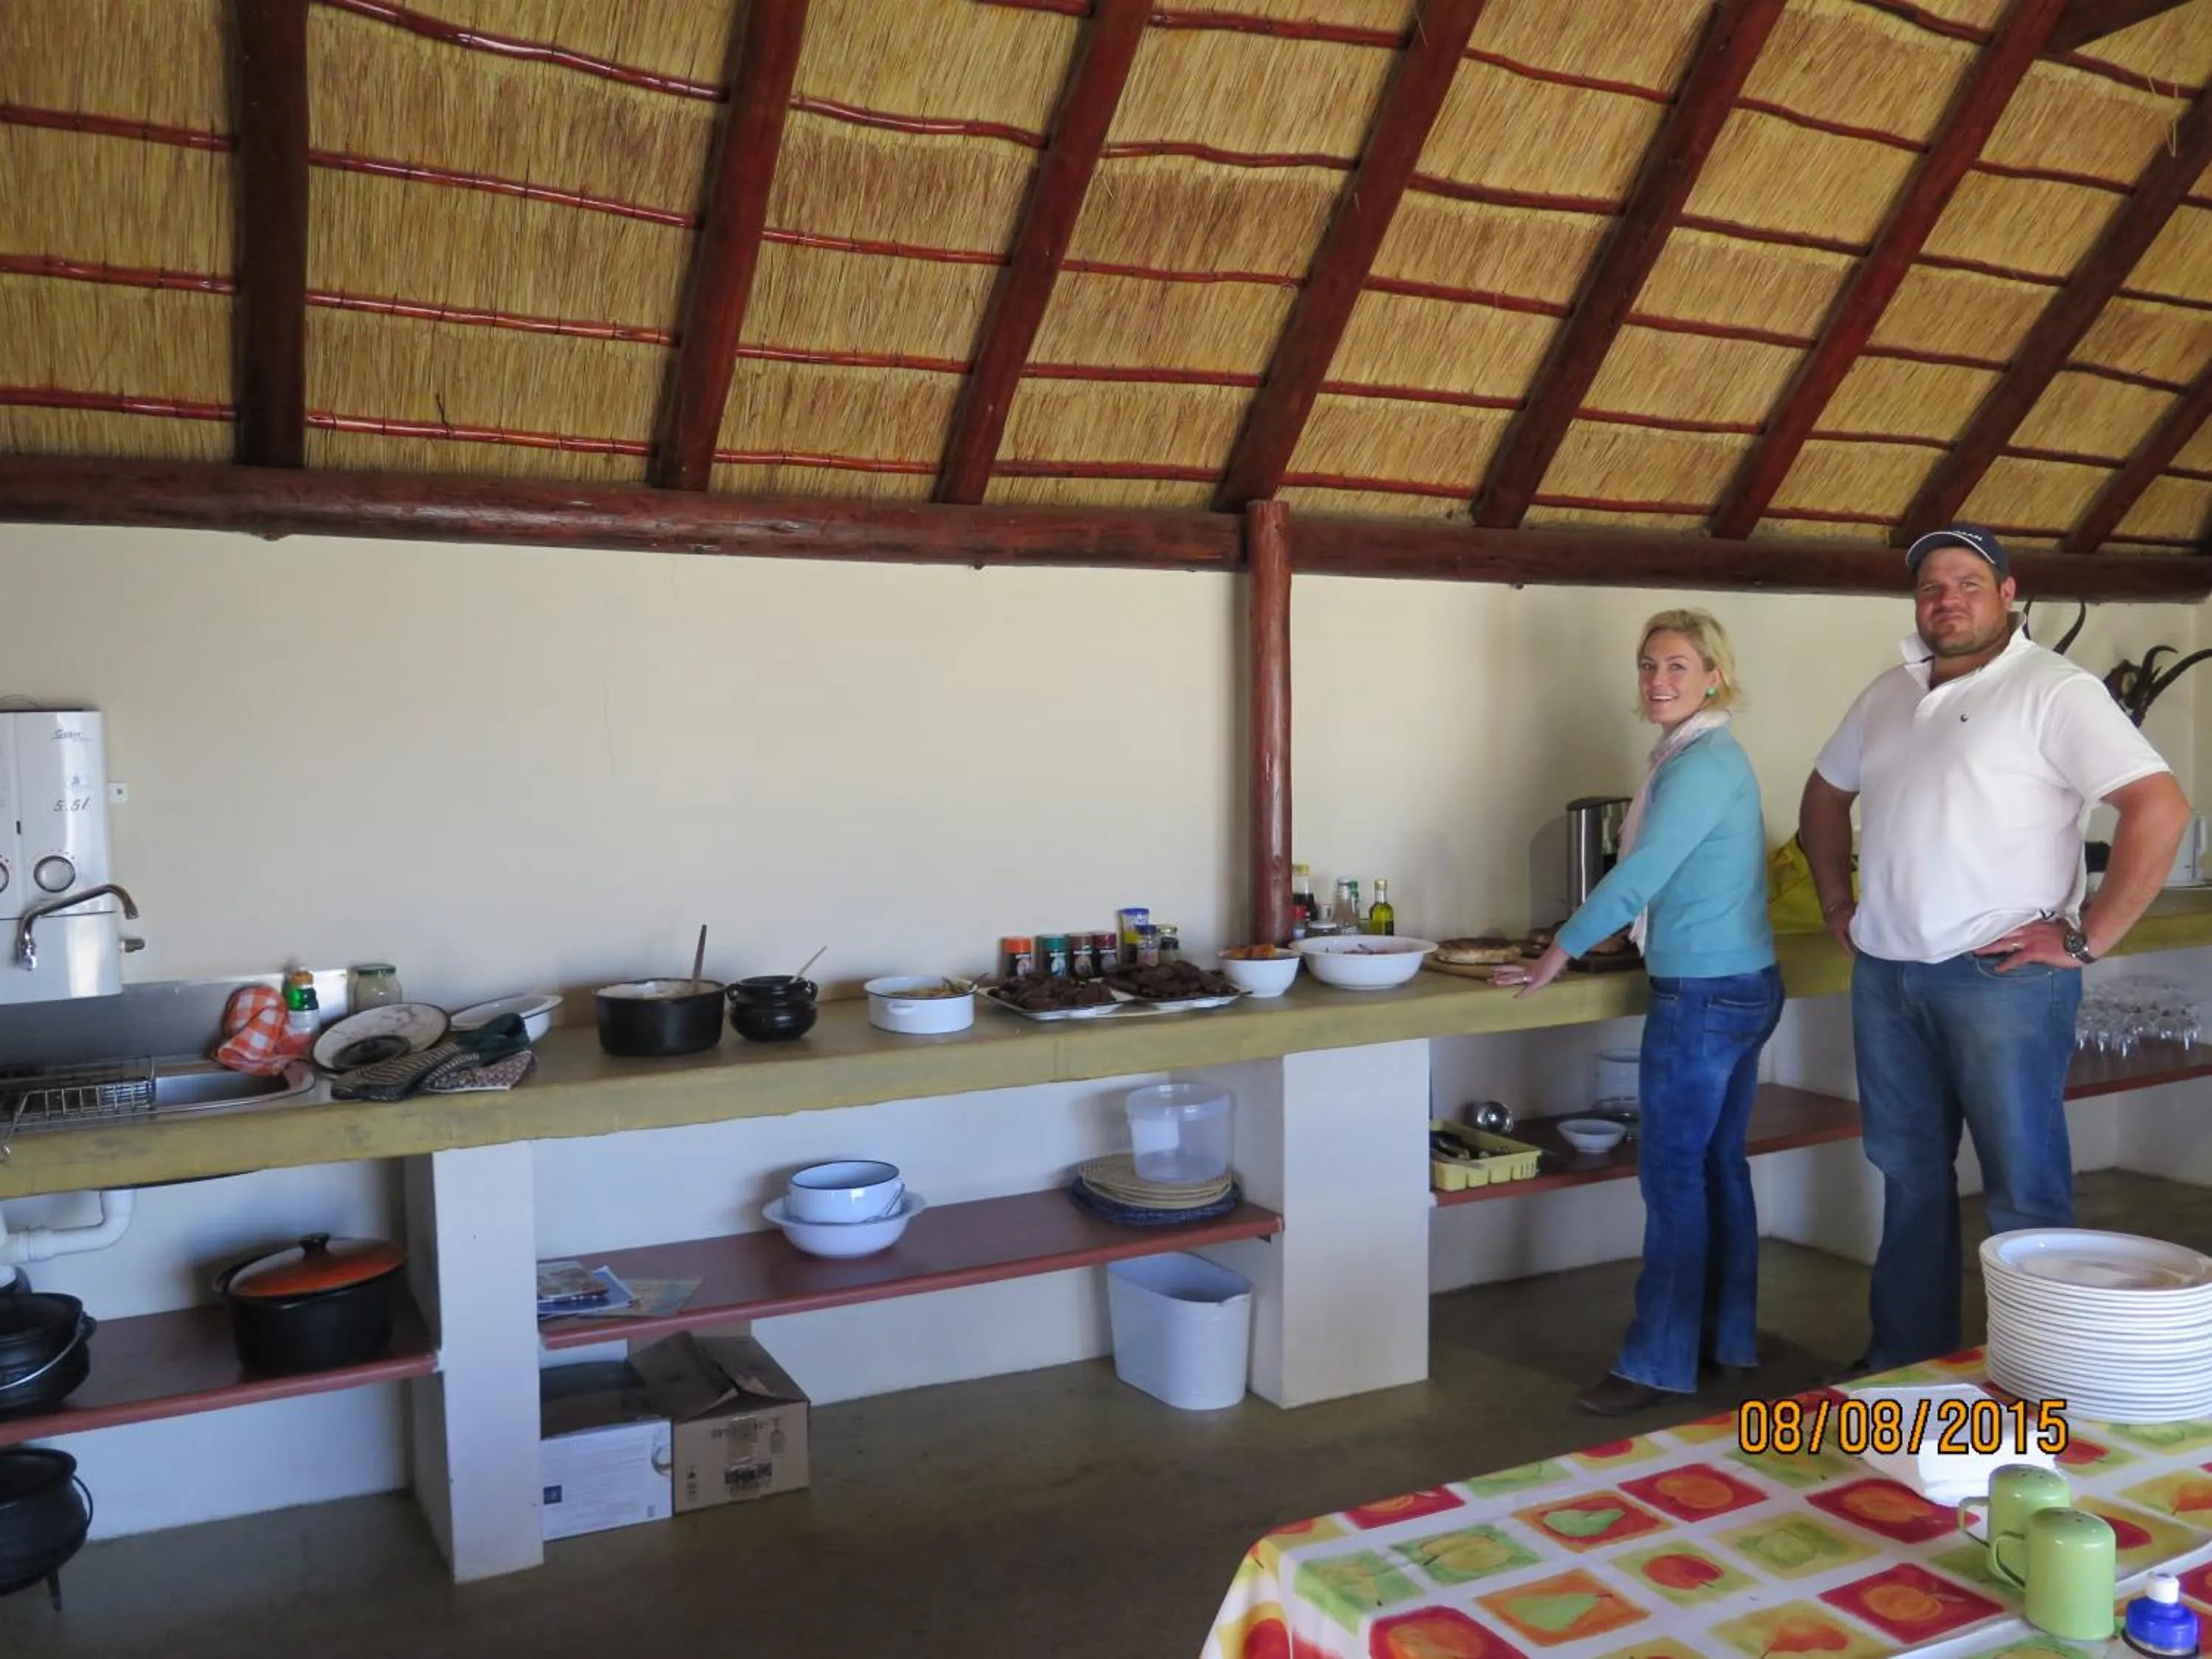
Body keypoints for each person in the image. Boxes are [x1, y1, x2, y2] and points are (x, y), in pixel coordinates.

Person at [1799, 523, 2191, 1375]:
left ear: (2009, 594)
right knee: (1908, 1176)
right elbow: (1824, 795)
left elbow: (2160, 808)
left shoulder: (2054, 689)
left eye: (1968, 583)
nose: (1947, 600)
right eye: (1931, 587)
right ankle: (1907, 1362)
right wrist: (1837, 900)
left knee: (2024, 1187)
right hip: (1888, 974)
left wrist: (2088, 937)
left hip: (2001, 978)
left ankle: (2040, 1374)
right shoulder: (1888, 694)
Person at [1493, 609, 1781, 1416]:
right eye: (1649, 665)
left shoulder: (1699, 766)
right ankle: (1726, 1340)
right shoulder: (1701, 756)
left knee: (1675, 1177)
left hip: (1703, 994)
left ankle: (1657, 1363)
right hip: (1741, 981)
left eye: (1678, 666)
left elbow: (1642, 873)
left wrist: (1560, 950)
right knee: (1716, 1167)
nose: (1658, 680)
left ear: (1715, 677)